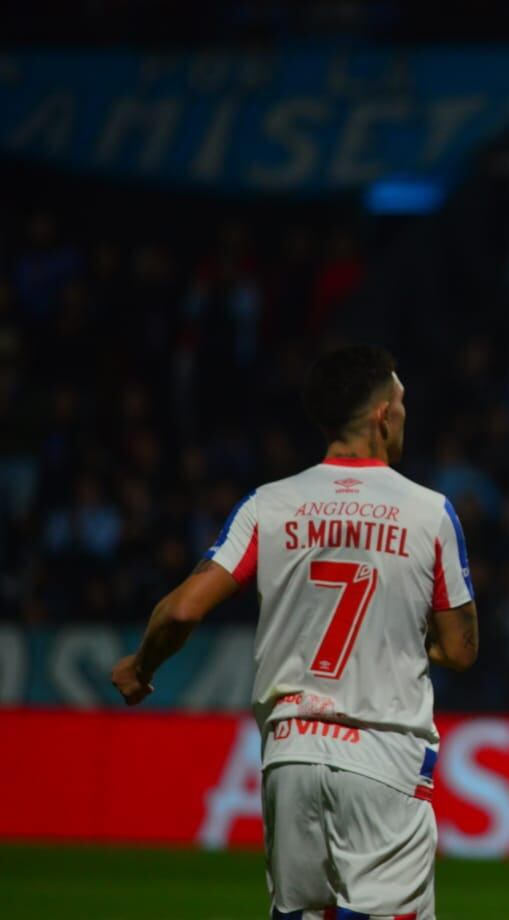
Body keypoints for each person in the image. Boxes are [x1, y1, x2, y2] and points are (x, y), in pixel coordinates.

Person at [110, 345, 477, 920]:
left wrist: (141, 666)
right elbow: (460, 648)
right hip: (382, 751)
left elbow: (182, 610)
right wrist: (404, 639)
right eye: (401, 403)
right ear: (383, 415)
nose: (406, 413)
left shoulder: (269, 505)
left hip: (290, 752)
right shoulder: (430, 512)